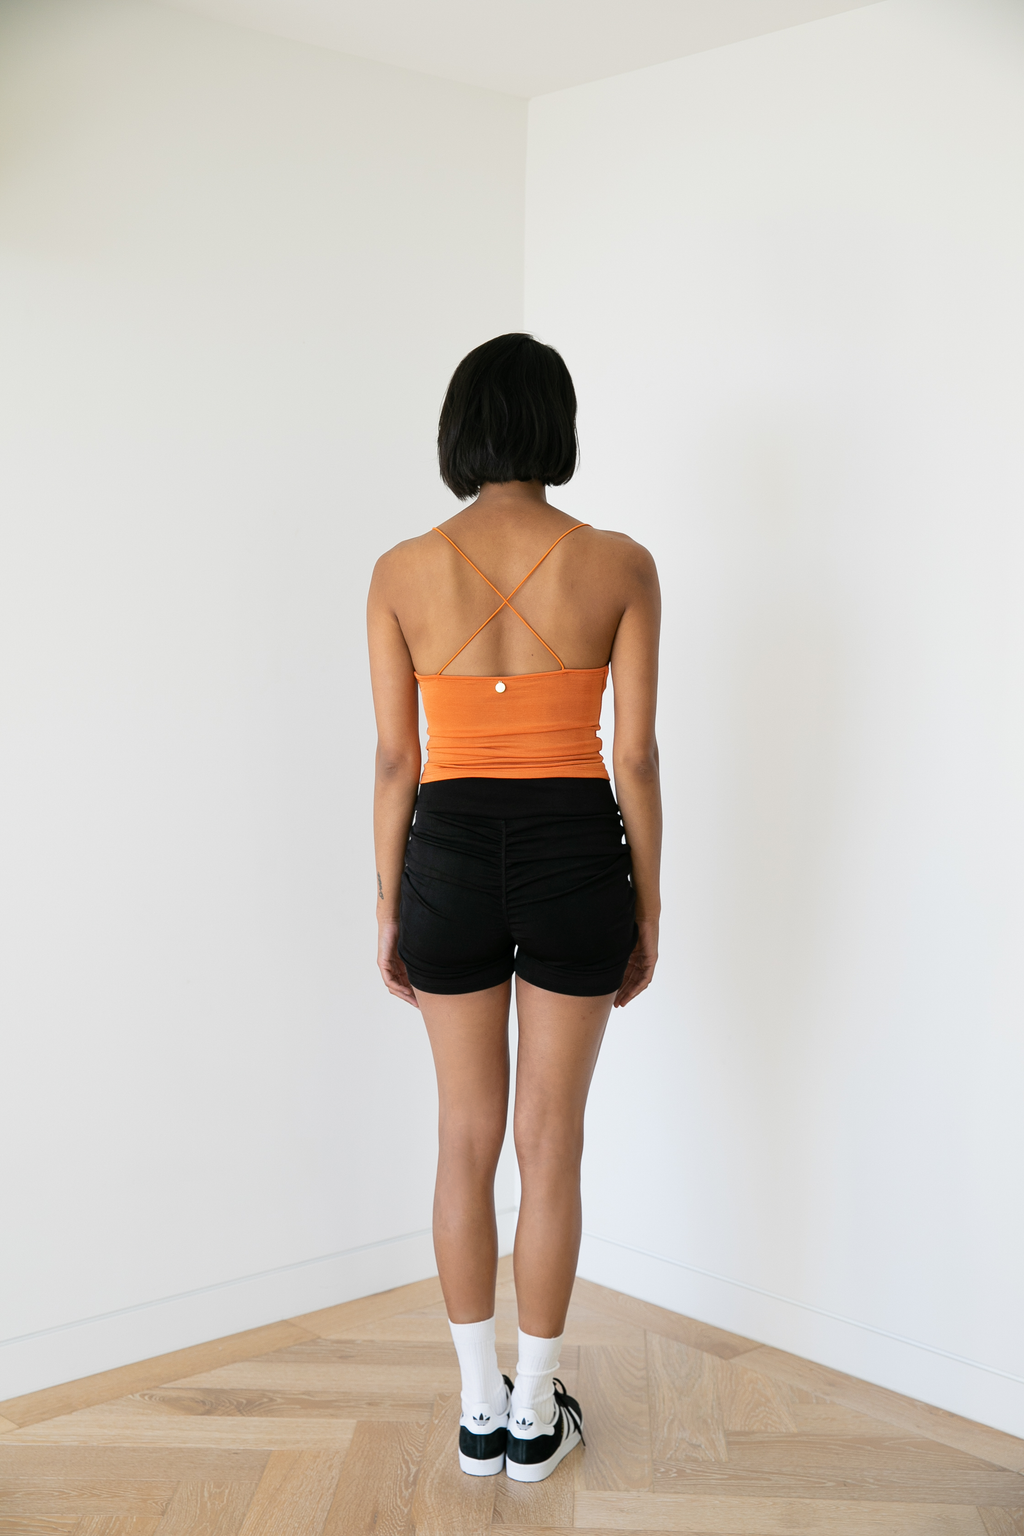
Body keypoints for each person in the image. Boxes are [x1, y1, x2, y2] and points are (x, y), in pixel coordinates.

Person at [367, 333, 661, 1483]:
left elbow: (397, 760)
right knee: (550, 1141)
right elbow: (631, 756)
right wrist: (647, 903)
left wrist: (389, 904)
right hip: (576, 853)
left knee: (464, 1137)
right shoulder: (621, 564)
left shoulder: (400, 571)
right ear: (556, 427)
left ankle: (477, 1407)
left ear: (460, 431)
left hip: (444, 857)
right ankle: (536, 1415)